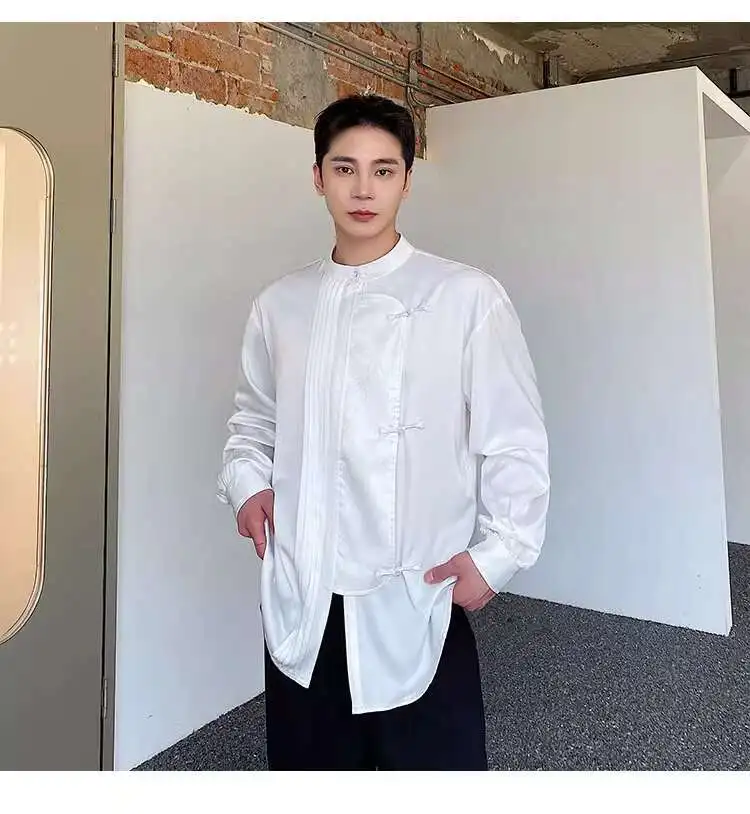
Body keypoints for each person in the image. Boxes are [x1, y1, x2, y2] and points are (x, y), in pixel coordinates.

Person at [217, 93, 550, 771]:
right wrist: (248, 486)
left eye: (383, 170)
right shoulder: (280, 305)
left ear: (407, 180)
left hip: (418, 596)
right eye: (345, 169)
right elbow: (252, 419)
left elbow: (515, 438)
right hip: (305, 593)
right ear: (318, 177)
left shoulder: (465, 297)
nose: (363, 190)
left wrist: (499, 555)